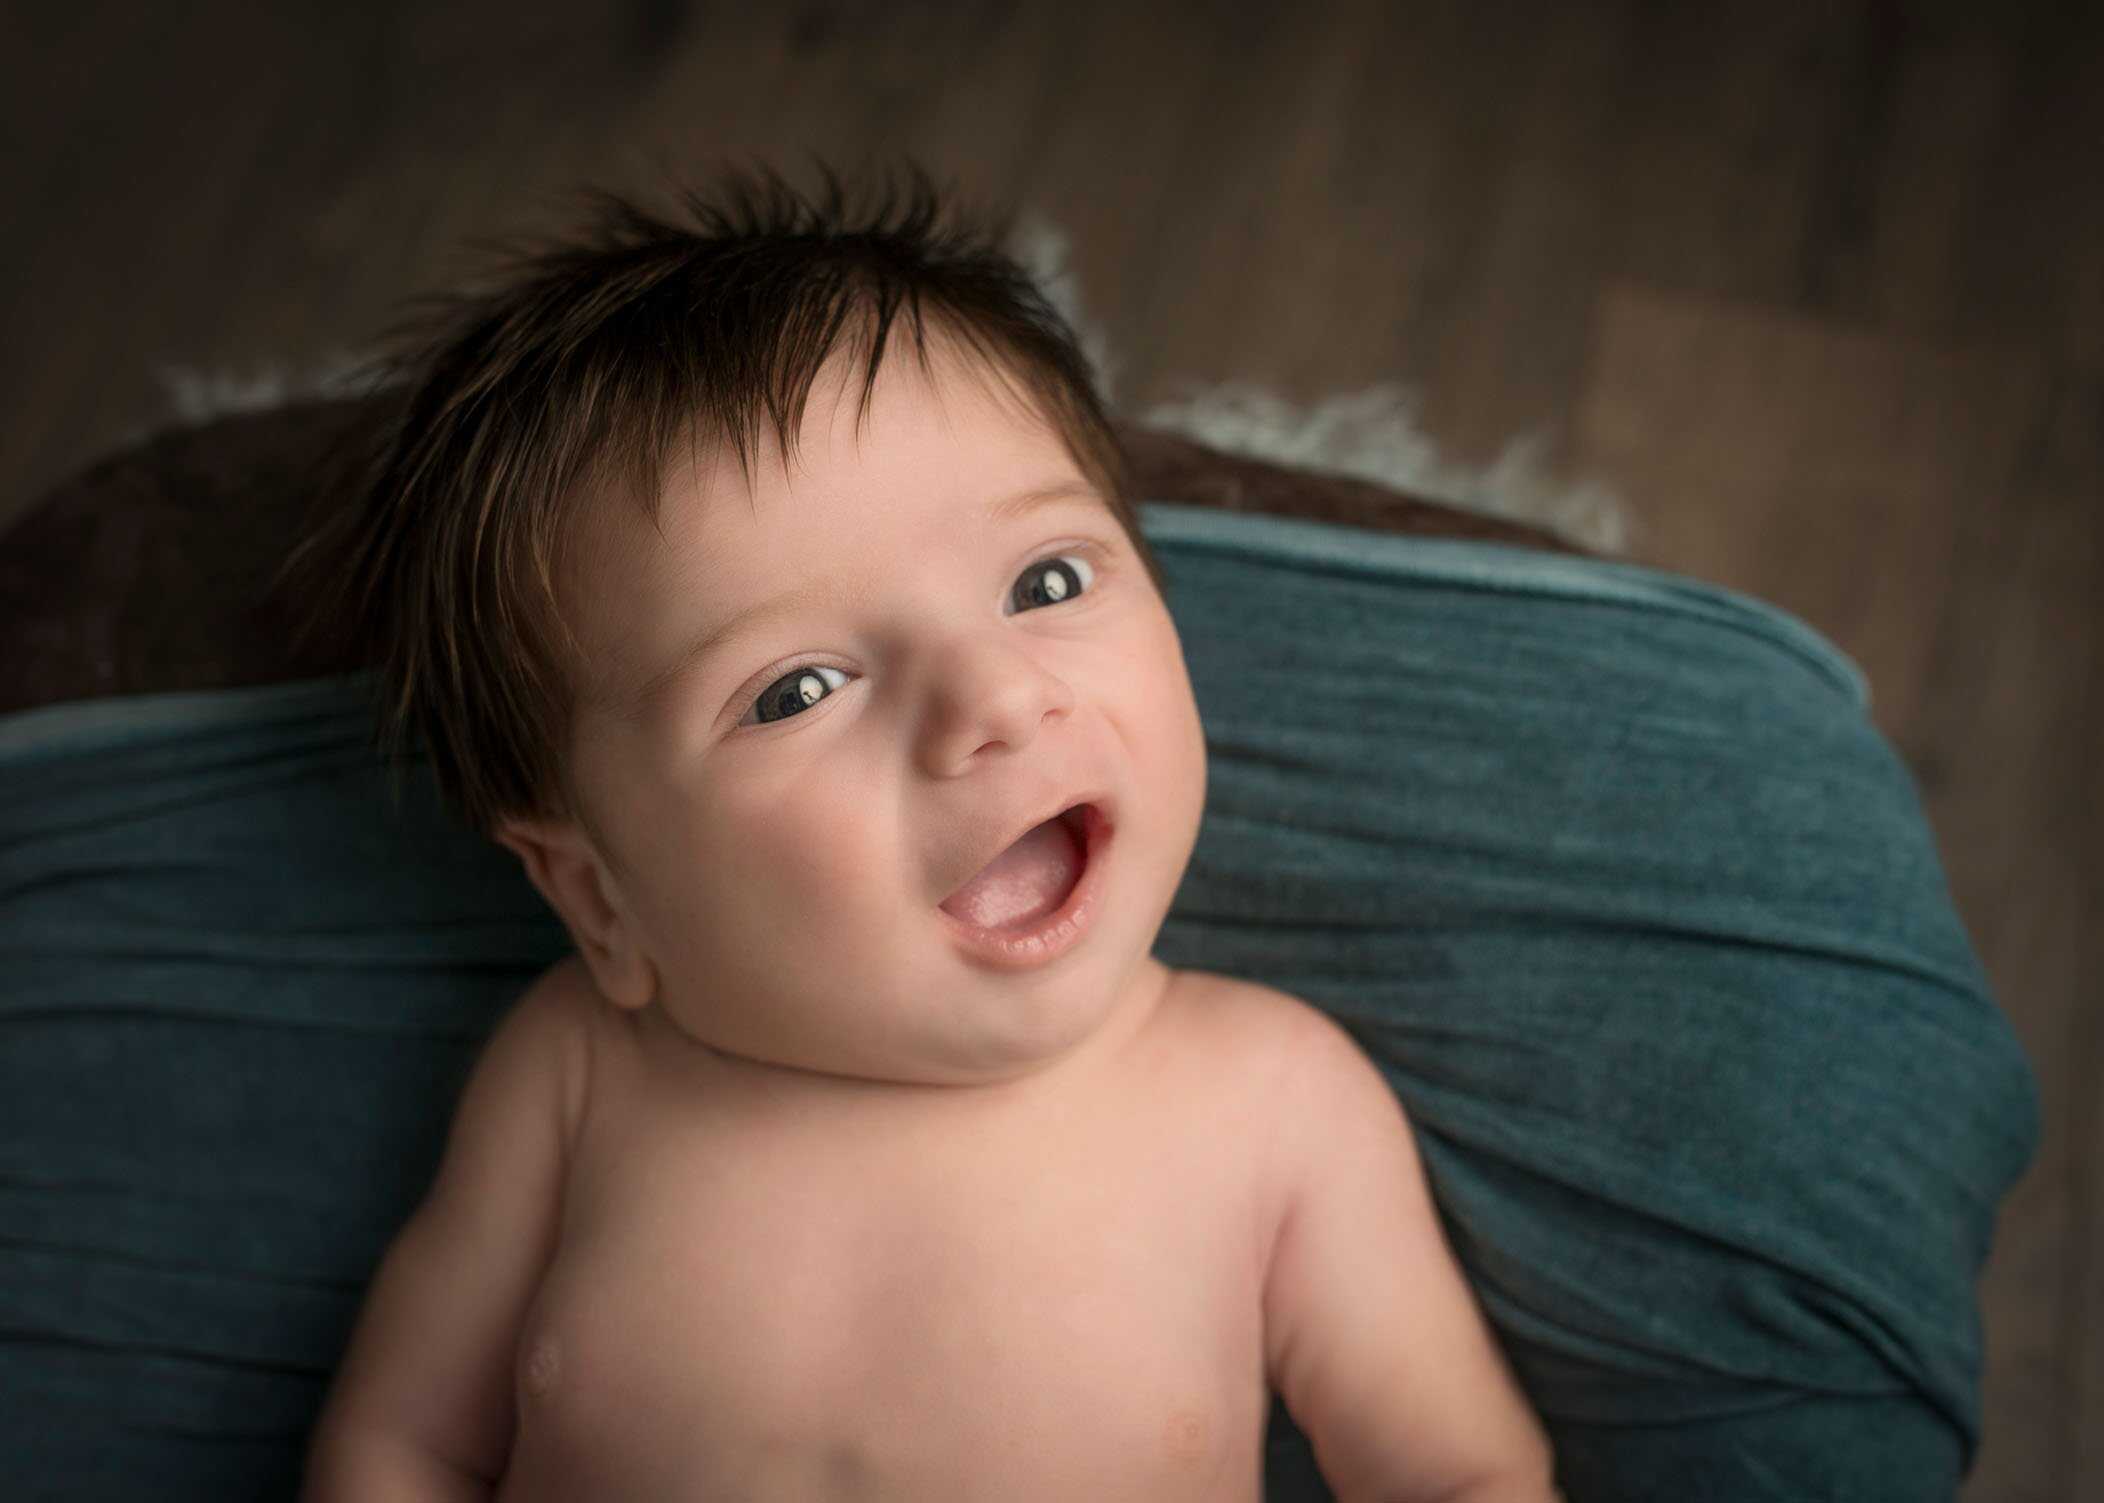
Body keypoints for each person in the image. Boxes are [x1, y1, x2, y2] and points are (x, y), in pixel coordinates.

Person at [295, 154, 1559, 1502]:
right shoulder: (573, 1075)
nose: (996, 698)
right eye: (796, 689)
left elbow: (1459, 1475)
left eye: (1047, 580)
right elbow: (404, 1444)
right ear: (600, 898)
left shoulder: (1273, 1100)